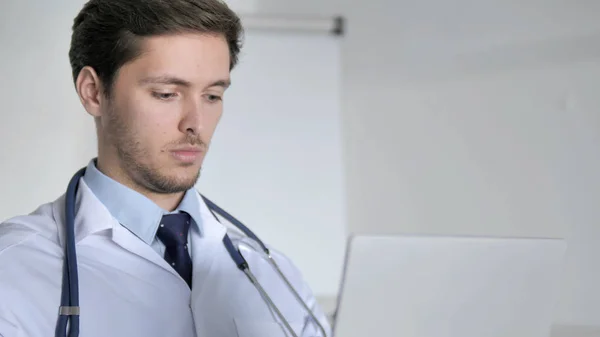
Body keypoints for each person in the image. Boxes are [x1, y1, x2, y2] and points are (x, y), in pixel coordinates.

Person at [0, 0, 331, 336]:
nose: (196, 124)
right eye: (166, 93)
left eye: (212, 96)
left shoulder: (273, 275)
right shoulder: (13, 271)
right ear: (94, 92)